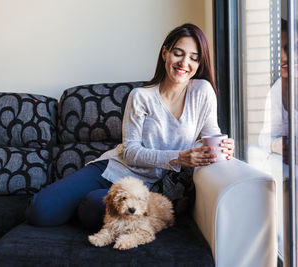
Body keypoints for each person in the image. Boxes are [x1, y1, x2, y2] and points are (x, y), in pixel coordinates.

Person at [25, 23, 235, 232]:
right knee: (40, 211)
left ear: (199, 63)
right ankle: (73, 205)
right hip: (113, 168)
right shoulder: (141, 96)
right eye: (178, 53)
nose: (184, 63)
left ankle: (83, 207)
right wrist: (179, 158)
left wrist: (223, 147)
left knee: (92, 208)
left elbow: (211, 136)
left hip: (148, 187)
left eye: (193, 57)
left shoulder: (202, 91)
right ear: (165, 53)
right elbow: (131, 153)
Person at [258, 19, 288, 156]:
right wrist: (277, 145)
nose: (283, 57)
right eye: (276, 50)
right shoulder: (277, 90)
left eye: (288, 48)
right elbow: (264, 138)